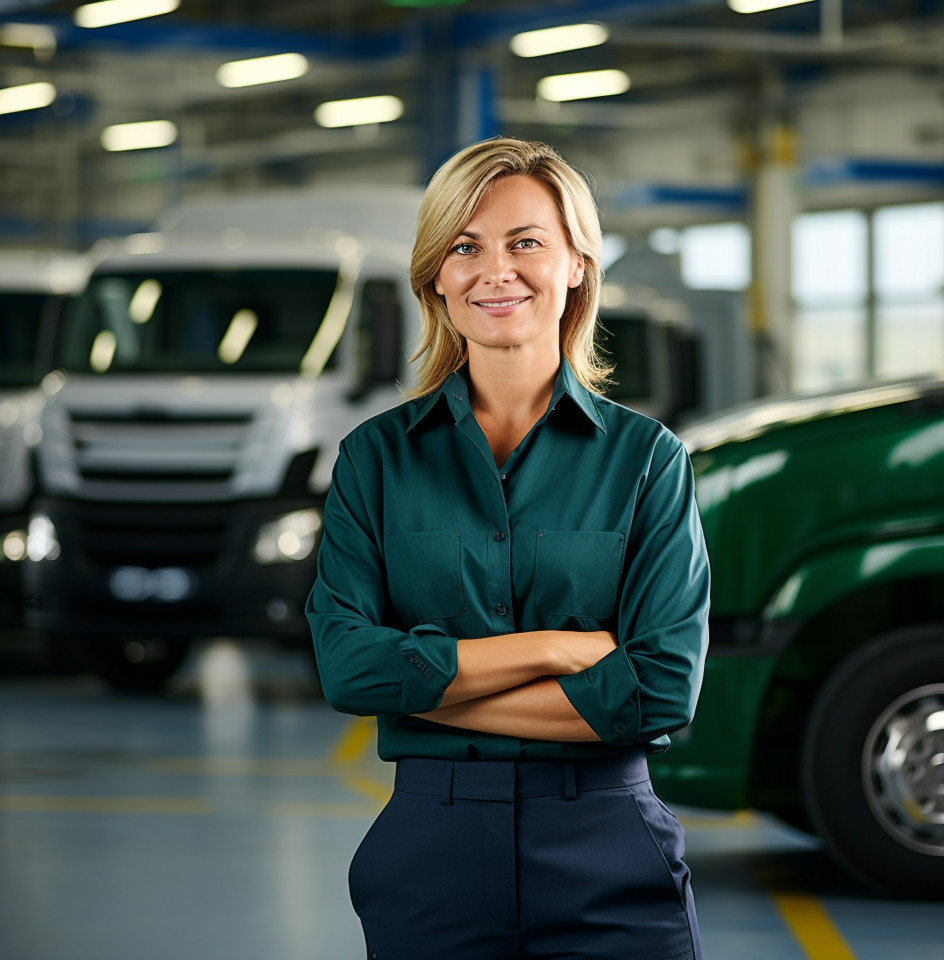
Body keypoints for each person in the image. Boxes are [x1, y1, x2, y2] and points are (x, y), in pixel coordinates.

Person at [305, 137, 710, 960]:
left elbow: (661, 689)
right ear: (436, 276)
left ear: (576, 267)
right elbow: (348, 668)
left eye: (526, 242)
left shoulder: (647, 460)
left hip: (608, 846)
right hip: (430, 856)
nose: (496, 270)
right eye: (465, 246)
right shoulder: (375, 460)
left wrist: (420, 691)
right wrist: (556, 650)